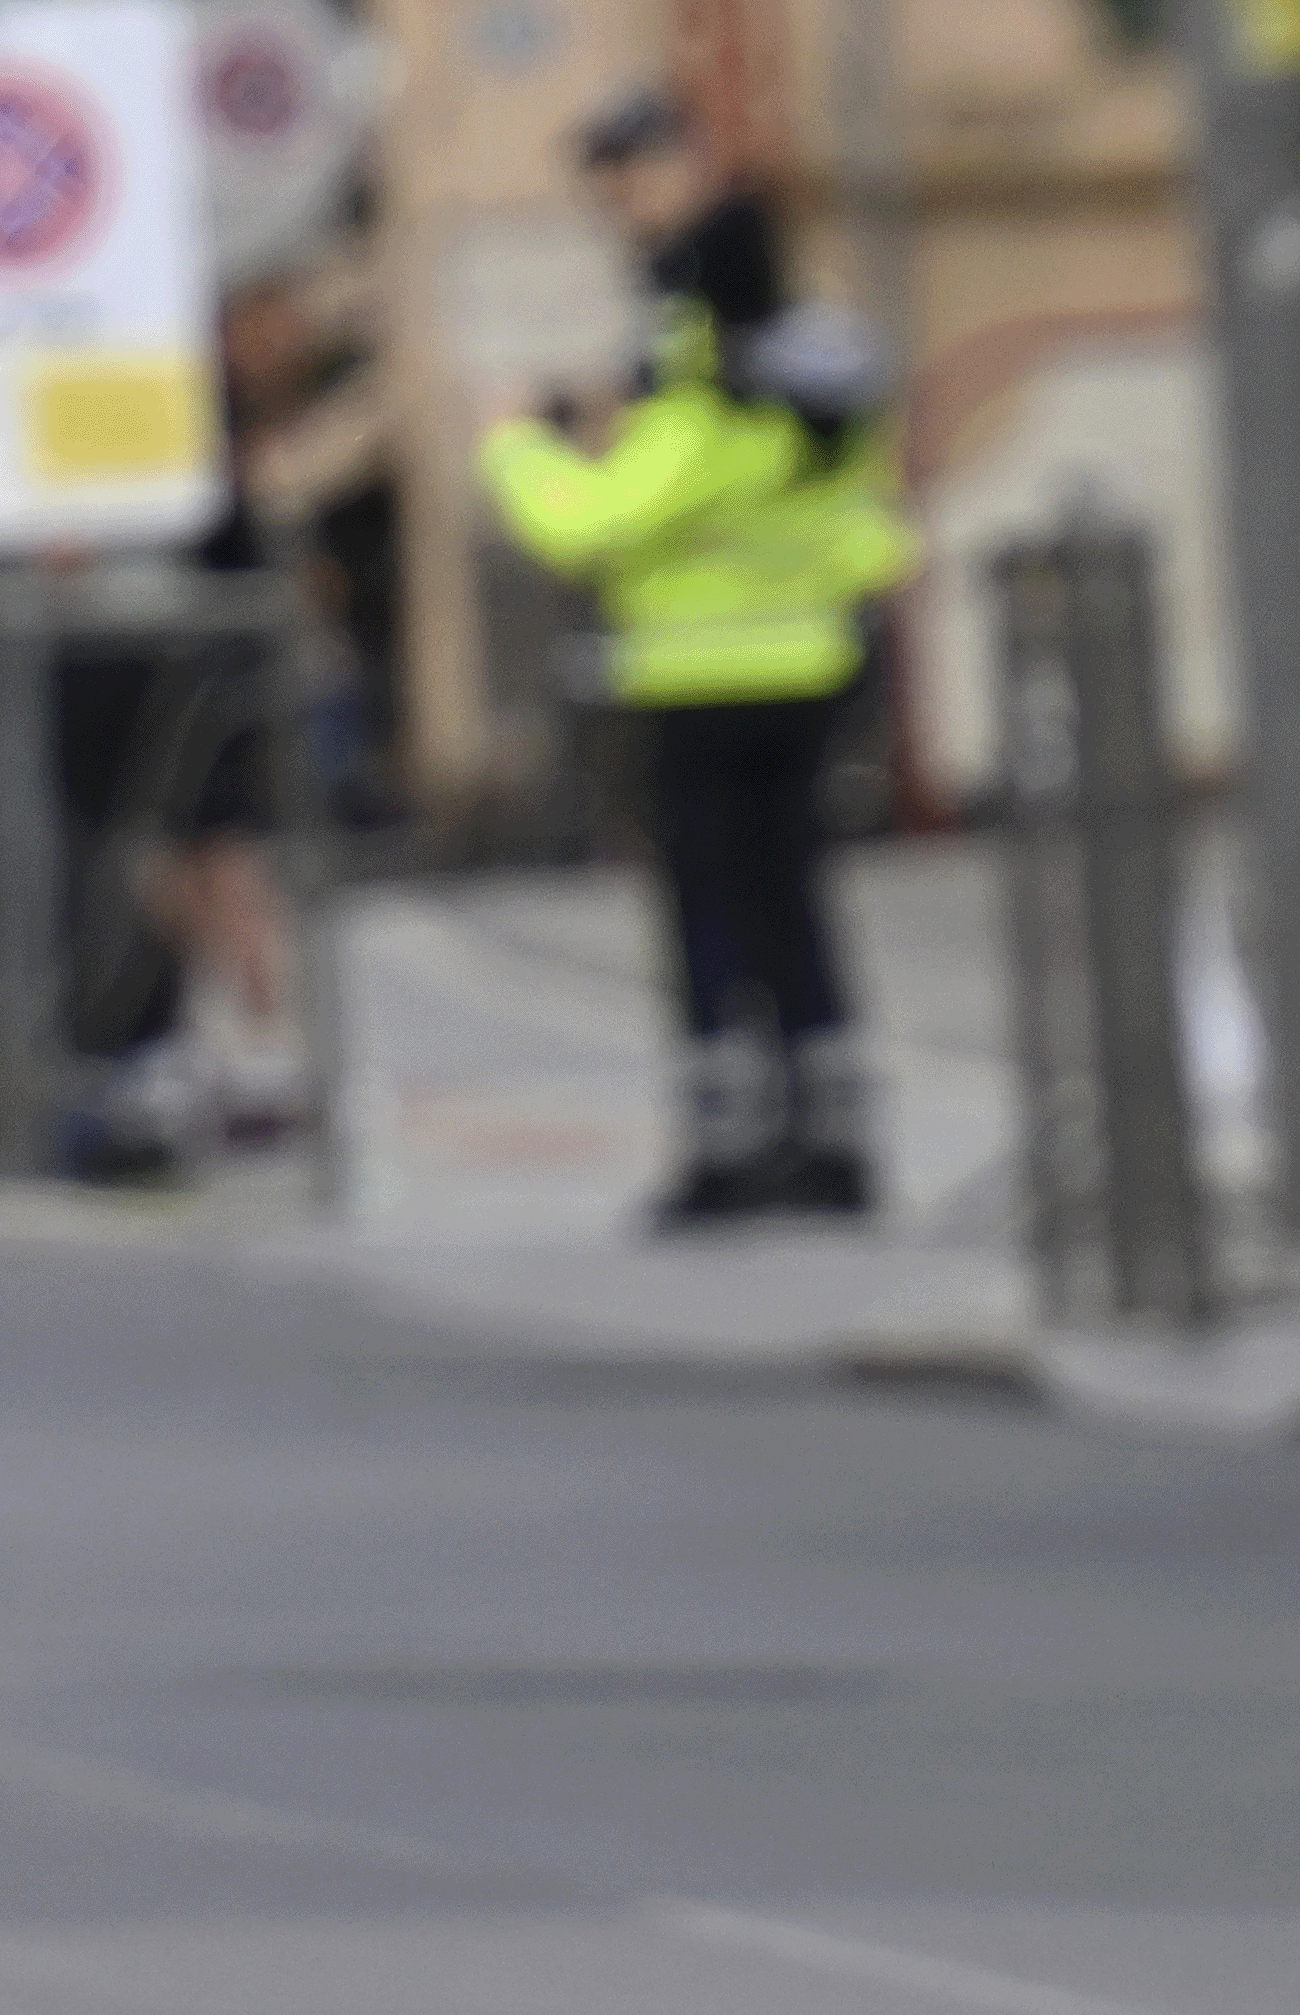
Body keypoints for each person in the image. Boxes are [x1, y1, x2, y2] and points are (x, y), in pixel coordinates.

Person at [483, 90, 911, 1225]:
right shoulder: (824, 386)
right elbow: (867, 526)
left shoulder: (705, 400)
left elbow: (591, 523)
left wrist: (513, 448)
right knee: (795, 908)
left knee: (708, 917)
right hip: (813, 668)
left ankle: (725, 1153)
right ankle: (830, 1142)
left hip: (694, 682)